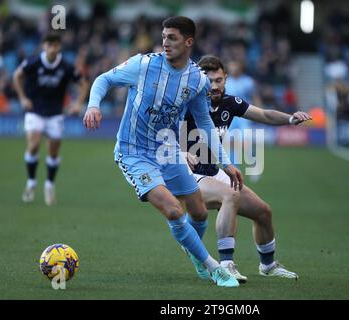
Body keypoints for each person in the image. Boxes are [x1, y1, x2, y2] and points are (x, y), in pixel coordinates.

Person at [83, 16, 243, 287]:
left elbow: (204, 122)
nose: (165, 42)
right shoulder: (143, 65)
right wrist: (93, 105)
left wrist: (225, 163)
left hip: (167, 151)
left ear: (189, 42)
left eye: (172, 38)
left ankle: (194, 251)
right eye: (164, 36)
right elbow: (103, 79)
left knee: (200, 213)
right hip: (133, 152)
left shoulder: (197, 81)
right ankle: (213, 267)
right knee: (173, 210)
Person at [183, 55, 312, 282]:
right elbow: (161, 131)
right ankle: (226, 264)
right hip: (188, 175)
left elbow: (263, 114)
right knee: (230, 195)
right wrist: (180, 152)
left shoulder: (229, 103)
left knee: (263, 212)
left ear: (225, 79)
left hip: (213, 172)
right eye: (209, 81)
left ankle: (268, 265)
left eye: (218, 80)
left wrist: (291, 119)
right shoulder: (187, 103)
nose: (214, 86)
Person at [13, 32, 89, 205]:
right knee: (33, 145)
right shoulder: (33, 62)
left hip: (55, 113)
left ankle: (49, 185)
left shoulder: (66, 66)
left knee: (53, 152)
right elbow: (17, 76)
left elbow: (84, 83)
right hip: (35, 111)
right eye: (49, 45)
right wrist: (23, 98)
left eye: (55, 45)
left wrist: (78, 103)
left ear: (59, 47)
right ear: (44, 46)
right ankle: (31, 183)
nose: (52, 48)